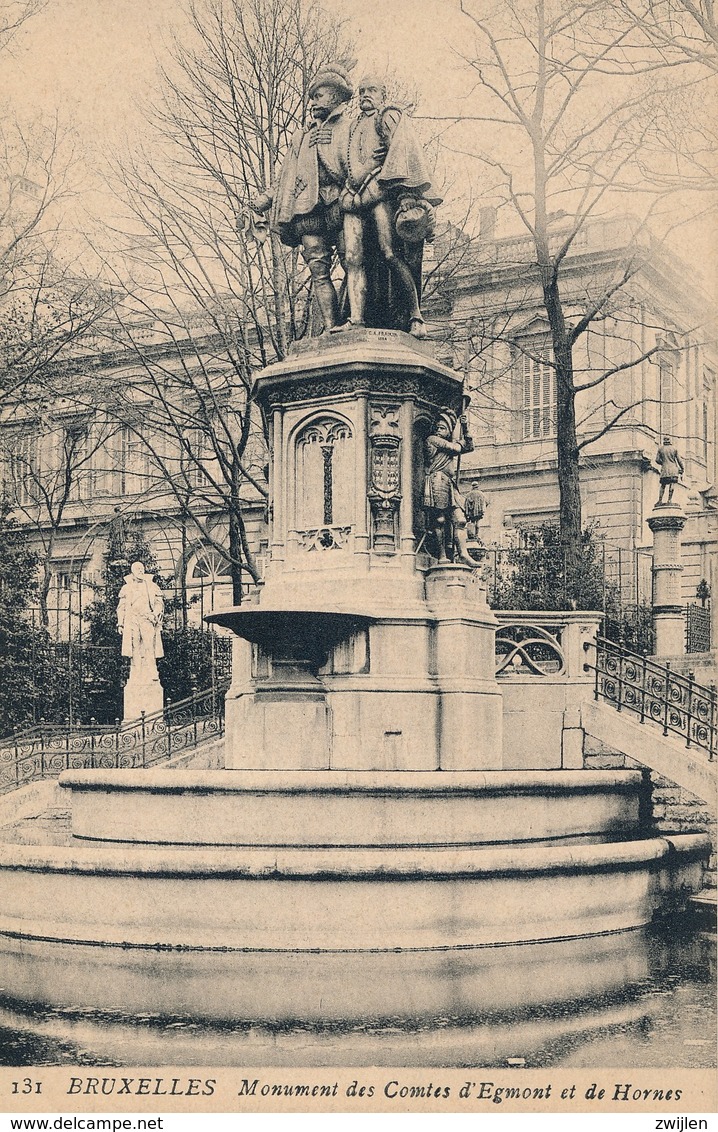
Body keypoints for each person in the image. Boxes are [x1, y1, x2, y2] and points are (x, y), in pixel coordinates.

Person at [250, 65, 353, 332]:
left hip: (340, 204)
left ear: (336, 96)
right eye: (312, 96)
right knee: (319, 272)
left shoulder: (350, 128)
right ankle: (332, 327)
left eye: (319, 95)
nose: (313, 102)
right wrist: (264, 199)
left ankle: (355, 321)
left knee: (352, 262)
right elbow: (285, 177)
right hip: (307, 210)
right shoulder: (302, 137)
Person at [335, 75, 439, 338]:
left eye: (371, 90)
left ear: (382, 94)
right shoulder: (351, 125)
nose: (365, 95)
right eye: (361, 91)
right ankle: (356, 319)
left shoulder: (388, 116)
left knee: (390, 253)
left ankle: (415, 315)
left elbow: (401, 152)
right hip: (352, 196)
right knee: (353, 259)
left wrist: (405, 194)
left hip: (380, 192)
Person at [423, 408, 475, 566]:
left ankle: (463, 554)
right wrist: (458, 439)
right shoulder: (432, 439)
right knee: (439, 520)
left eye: (443, 428)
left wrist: (465, 427)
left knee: (460, 519)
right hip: (437, 481)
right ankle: (442, 555)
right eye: (437, 427)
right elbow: (457, 448)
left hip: (449, 483)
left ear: (449, 430)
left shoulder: (446, 441)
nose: (439, 430)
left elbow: (469, 446)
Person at [117, 561, 164, 678]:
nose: (140, 571)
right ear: (132, 571)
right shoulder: (126, 588)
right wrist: (120, 624)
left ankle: (152, 671)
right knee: (134, 646)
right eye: (138, 569)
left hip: (146, 618)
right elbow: (121, 607)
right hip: (132, 620)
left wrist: (155, 614)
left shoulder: (152, 586)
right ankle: (136, 671)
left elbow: (159, 603)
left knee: (149, 645)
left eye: (142, 568)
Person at [655, 436, 684, 504]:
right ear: (670, 440)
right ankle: (669, 500)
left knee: (663, 485)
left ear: (663, 441)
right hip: (673, 469)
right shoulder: (674, 449)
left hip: (665, 469)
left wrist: (663, 463)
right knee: (672, 484)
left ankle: (660, 500)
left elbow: (657, 460)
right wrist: (682, 468)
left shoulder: (660, 449)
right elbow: (679, 460)